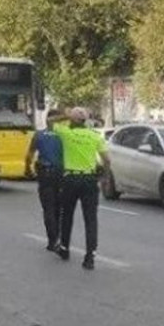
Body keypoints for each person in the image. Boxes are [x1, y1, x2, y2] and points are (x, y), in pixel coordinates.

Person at [54, 107, 111, 270]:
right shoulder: (94, 136)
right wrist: (104, 178)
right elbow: (107, 160)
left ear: (72, 121)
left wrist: (67, 114)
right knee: (91, 219)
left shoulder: (66, 133)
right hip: (89, 180)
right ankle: (90, 257)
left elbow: (51, 121)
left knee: (67, 215)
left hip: (71, 179)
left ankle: (64, 249)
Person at [25, 109, 67, 255]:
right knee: (59, 208)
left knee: (48, 208)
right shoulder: (64, 136)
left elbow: (29, 155)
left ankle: (52, 240)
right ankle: (60, 238)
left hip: (45, 174)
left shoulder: (39, 135)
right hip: (62, 174)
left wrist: (27, 170)